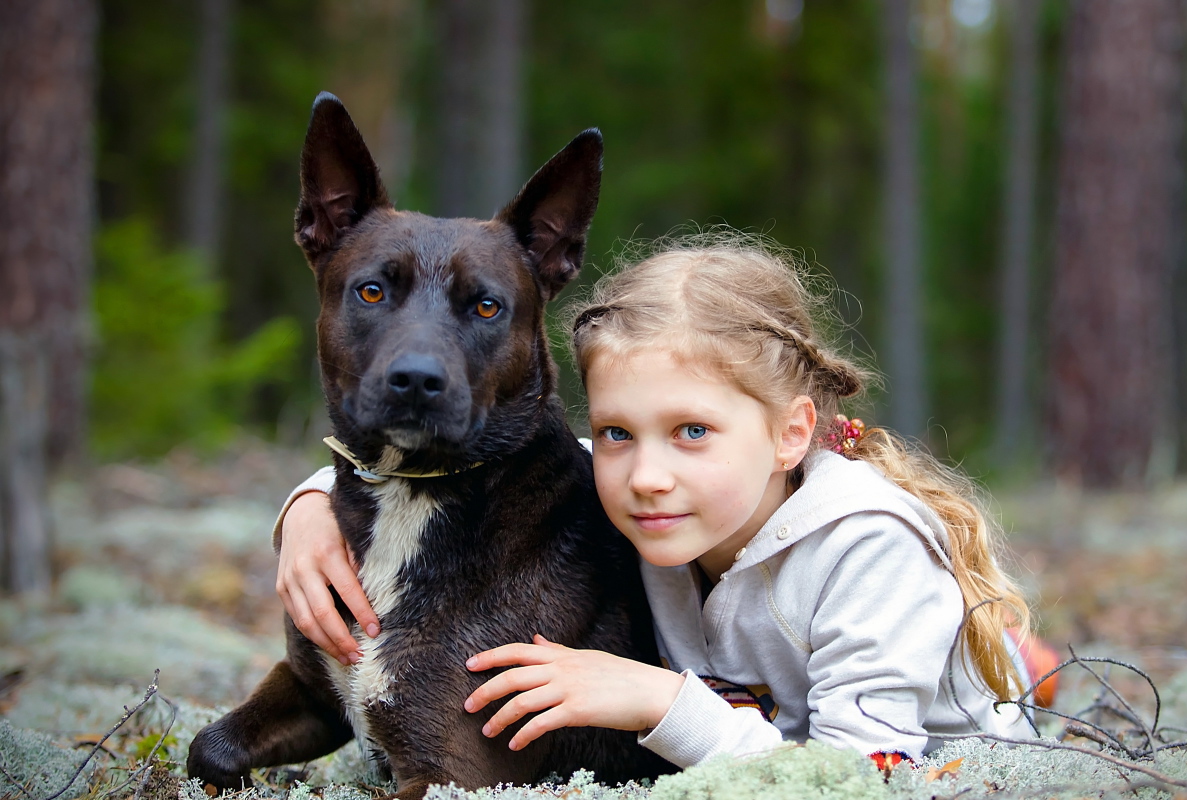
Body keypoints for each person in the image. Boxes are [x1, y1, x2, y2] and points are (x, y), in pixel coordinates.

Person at [274, 232, 1040, 770]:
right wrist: (308, 507)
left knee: (973, 672)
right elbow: (486, 462)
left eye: (692, 431)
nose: (646, 475)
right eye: (615, 432)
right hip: (763, 742)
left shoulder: (867, 553)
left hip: (941, 763)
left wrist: (660, 700)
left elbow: (864, 777)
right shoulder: (654, 499)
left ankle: (1004, 660)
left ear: (789, 433)